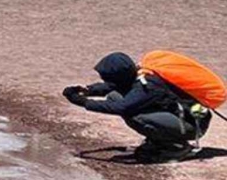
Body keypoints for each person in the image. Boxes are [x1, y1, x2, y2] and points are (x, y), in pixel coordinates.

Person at [64, 52, 212, 160]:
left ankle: (176, 146)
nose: (105, 79)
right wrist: (86, 90)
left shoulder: (148, 86)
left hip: (191, 126)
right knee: (115, 96)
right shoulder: (138, 74)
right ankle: (160, 139)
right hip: (179, 118)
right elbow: (113, 87)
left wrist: (83, 102)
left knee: (135, 115)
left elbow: (122, 108)